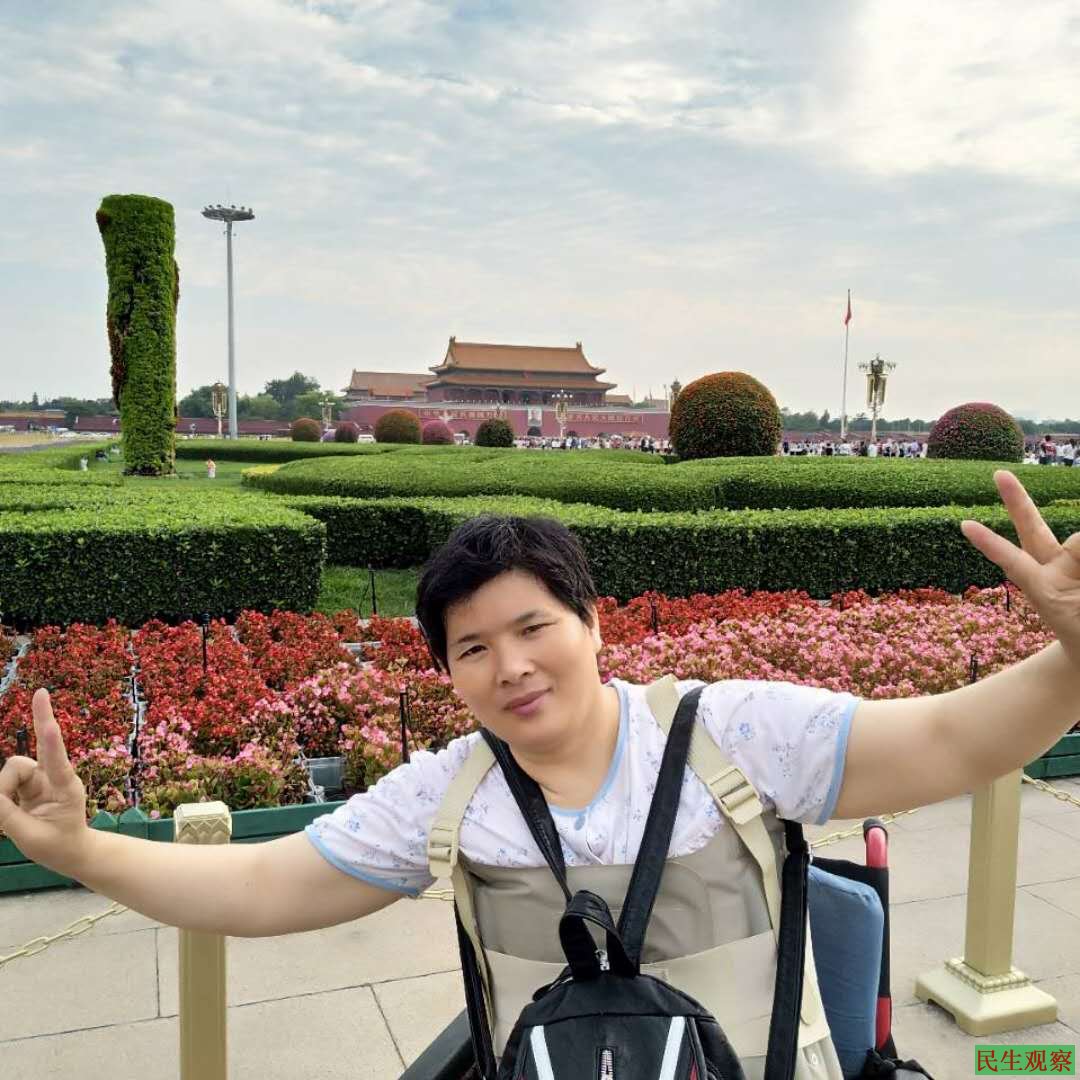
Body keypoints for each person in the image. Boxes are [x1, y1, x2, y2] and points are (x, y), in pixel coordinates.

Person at [4, 480, 1080, 1070]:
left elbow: (952, 741)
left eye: (534, 628)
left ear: (593, 622)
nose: (511, 668)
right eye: (473, 648)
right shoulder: (450, 795)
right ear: (447, 673)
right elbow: (259, 883)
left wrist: (1072, 655)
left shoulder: (734, 734)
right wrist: (81, 848)